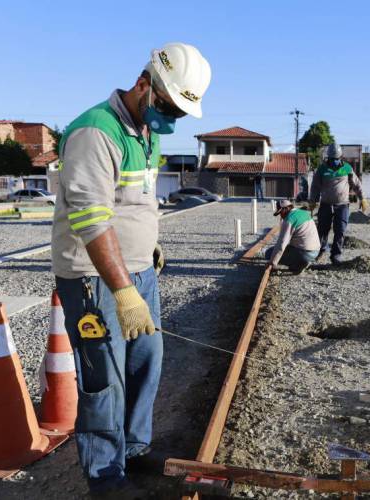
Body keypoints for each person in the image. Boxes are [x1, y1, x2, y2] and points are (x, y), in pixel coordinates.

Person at [51, 42, 211, 498]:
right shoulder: (95, 132)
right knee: (105, 376)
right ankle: (104, 476)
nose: (171, 119)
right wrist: (122, 289)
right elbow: (91, 218)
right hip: (93, 278)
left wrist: (148, 247)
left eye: (180, 112)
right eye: (168, 106)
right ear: (145, 84)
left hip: (136, 270)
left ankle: (134, 450)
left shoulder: (146, 132)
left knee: (146, 362)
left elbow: (136, 201)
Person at [308, 143, 368, 265]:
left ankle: (336, 255)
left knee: (340, 230)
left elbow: (356, 184)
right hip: (325, 204)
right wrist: (313, 200)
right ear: (327, 158)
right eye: (331, 159)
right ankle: (320, 250)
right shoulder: (322, 169)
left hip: (342, 205)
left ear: (340, 157)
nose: (334, 161)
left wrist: (362, 198)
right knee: (322, 229)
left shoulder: (347, 168)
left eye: (336, 159)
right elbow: (315, 186)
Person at [265, 200, 320, 274]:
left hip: (304, 254)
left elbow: (281, 244)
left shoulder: (289, 219)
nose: (281, 216)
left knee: (269, 253)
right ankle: (298, 263)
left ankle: (299, 264)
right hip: (315, 251)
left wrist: (272, 263)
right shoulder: (303, 212)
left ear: (286, 209)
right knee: (288, 248)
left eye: (281, 212)